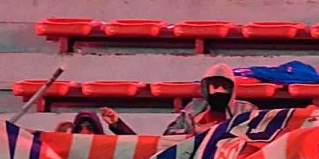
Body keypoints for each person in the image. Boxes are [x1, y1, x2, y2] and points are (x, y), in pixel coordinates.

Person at [104, 62, 257, 136]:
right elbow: (167, 138)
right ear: (206, 88)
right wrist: (119, 126)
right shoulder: (193, 109)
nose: (219, 91)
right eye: (215, 86)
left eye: (225, 87)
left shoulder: (246, 111)